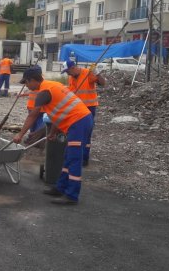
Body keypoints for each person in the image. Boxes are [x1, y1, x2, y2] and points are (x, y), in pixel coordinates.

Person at [13, 67, 93, 205]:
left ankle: (71, 196)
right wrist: (52, 132)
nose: (26, 86)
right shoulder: (52, 86)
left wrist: (20, 134)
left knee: (74, 158)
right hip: (78, 120)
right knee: (68, 157)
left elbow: (33, 115)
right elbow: (57, 113)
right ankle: (61, 188)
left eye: (26, 82)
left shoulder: (44, 92)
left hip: (78, 122)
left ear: (32, 80)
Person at [62, 59, 106, 167]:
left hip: (89, 108)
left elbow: (103, 83)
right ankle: (74, 156)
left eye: (68, 71)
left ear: (73, 68)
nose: (67, 74)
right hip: (76, 108)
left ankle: (84, 158)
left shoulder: (87, 73)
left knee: (86, 133)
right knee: (76, 132)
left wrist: (97, 73)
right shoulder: (71, 77)